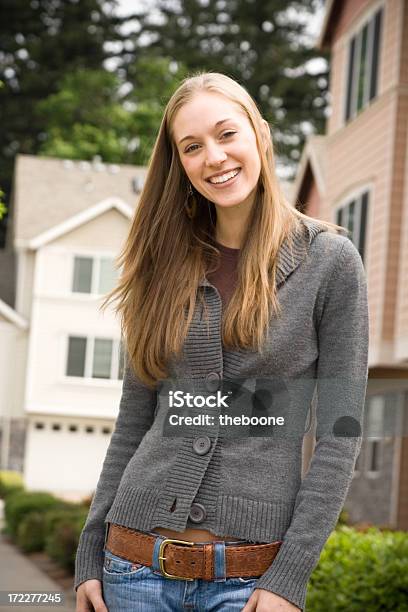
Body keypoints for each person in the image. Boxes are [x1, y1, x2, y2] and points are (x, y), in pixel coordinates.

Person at [75, 72, 369, 611]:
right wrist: (89, 553)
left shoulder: (330, 261)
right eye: (192, 147)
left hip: (248, 584)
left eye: (226, 133)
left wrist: (288, 579)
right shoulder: (160, 268)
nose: (214, 157)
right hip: (132, 568)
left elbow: (340, 433)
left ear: (259, 132)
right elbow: (133, 420)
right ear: (180, 165)